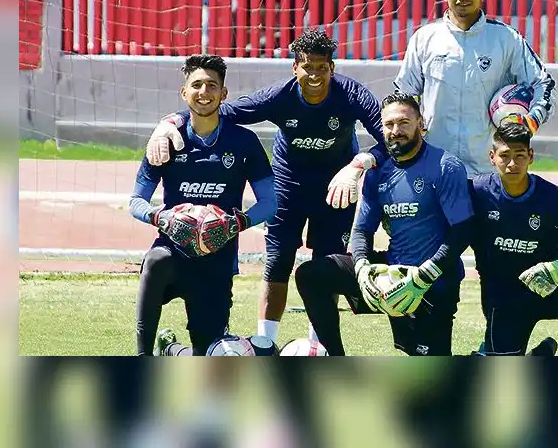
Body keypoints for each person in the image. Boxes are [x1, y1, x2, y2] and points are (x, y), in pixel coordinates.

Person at [141, 29, 388, 346]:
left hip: (336, 184)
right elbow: (219, 108)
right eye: (306, 66)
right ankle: (265, 342)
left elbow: (389, 139)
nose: (313, 74)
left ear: (332, 68)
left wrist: (358, 165)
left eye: (321, 67)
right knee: (279, 260)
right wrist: (170, 122)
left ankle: (319, 345)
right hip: (289, 183)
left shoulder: (352, 95)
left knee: (327, 264)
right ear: (294, 68)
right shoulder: (279, 96)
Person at [293, 93, 475, 356]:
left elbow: (463, 230)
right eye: (389, 124)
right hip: (391, 274)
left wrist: (426, 274)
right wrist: (363, 269)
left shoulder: (445, 167)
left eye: (404, 123)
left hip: (433, 284)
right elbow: (362, 230)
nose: (395, 131)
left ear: (420, 124)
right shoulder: (379, 172)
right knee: (312, 274)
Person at [129, 54, 277, 356]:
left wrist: (239, 222)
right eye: (196, 85)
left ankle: (171, 350)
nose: (204, 92)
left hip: (217, 261)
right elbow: (135, 201)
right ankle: (142, 357)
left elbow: (270, 203)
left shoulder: (244, 142)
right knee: (156, 261)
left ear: (223, 94)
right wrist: (161, 216)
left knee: (208, 354)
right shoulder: (165, 140)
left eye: (212, 85)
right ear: (184, 92)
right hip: (173, 253)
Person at [393, 0, 556, 176]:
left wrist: (531, 121)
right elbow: (403, 94)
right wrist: (413, 125)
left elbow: (543, 84)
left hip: (487, 166)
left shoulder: (506, 38)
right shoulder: (424, 38)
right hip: (435, 164)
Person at [468, 122, 558, 355]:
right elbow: (455, 234)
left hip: (546, 289)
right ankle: (542, 354)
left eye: (520, 156)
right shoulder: (477, 192)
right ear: (492, 157)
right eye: (505, 156)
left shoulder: (556, 199)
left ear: (531, 156)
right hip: (503, 296)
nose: (513, 164)